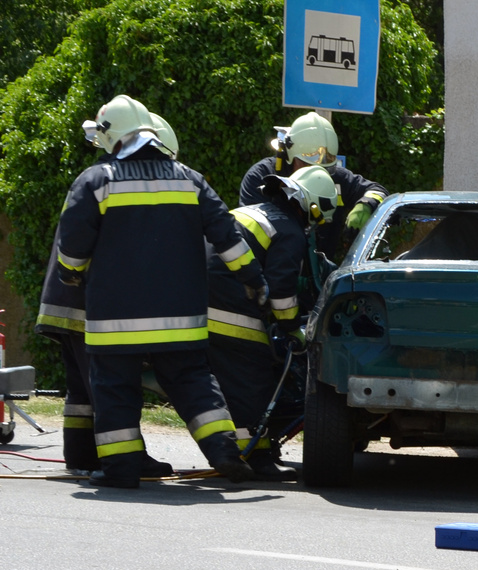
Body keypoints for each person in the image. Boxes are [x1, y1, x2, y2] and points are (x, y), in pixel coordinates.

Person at [57, 95, 257, 487]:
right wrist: (253, 279)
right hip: (181, 317)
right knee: (195, 385)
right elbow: (227, 236)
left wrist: (71, 274)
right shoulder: (190, 179)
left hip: (114, 320)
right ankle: (224, 451)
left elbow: (72, 244)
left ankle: (122, 470)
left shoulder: (96, 180)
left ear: (111, 137)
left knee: (115, 391)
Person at [205, 165, 335, 480]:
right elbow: (281, 290)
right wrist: (293, 328)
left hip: (194, 306)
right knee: (253, 376)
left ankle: (232, 450)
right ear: (312, 206)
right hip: (227, 310)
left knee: (214, 385)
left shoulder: (251, 212)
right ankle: (258, 459)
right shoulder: (289, 230)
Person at [238, 111, 386, 259]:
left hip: (320, 273)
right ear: (289, 154)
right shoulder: (261, 176)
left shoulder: (337, 177)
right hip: (274, 269)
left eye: (325, 167)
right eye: (307, 164)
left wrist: (366, 204)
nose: (317, 172)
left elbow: (377, 191)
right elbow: (250, 233)